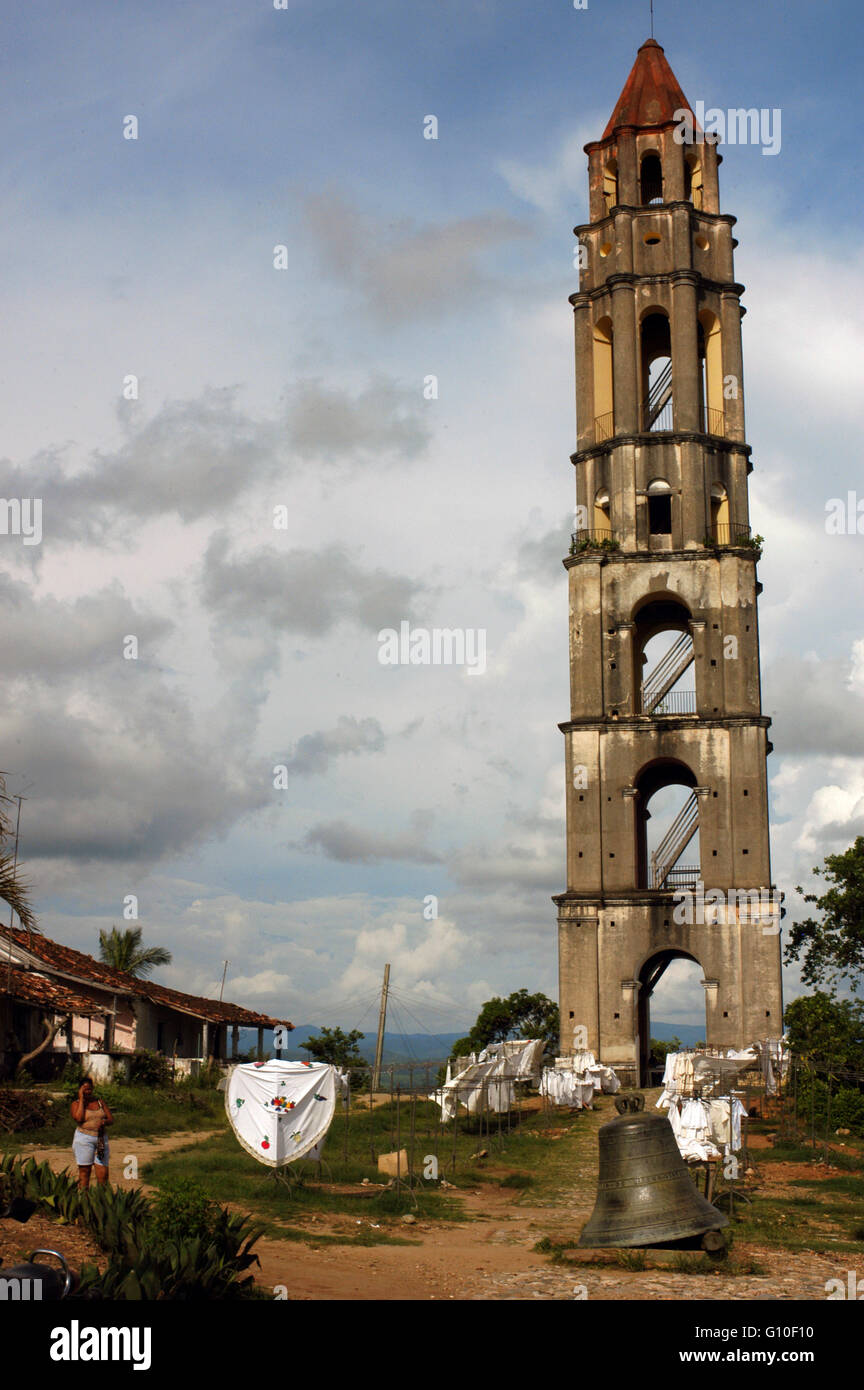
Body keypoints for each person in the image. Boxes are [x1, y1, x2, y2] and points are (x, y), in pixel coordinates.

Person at [69, 1076, 114, 1189]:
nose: (87, 1092)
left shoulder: (99, 1102)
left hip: (100, 1139)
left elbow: (111, 1119)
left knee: (103, 1172)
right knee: (85, 1172)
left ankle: (101, 1199)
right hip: (84, 1139)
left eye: (89, 1089)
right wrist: (81, 1099)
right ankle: (84, 1199)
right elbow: (78, 1118)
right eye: (84, 1089)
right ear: (80, 1090)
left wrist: (104, 1122)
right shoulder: (76, 1104)